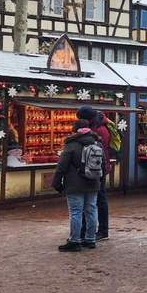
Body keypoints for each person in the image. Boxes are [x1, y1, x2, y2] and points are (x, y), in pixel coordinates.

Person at [52, 119, 103, 252]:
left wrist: (56, 183)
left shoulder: (71, 144)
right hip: (93, 182)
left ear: (75, 130)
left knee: (76, 212)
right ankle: (90, 239)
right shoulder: (97, 143)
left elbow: (62, 166)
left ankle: (74, 241)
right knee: (91, 210)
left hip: (75, 184)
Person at [78, 107, 111, 241]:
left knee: (98, 199)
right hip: (99, 167)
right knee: (96, 199)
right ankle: (91, 229)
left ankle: (101, 230)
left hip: (97, 169)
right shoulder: (100, 127)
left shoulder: (98, 130)